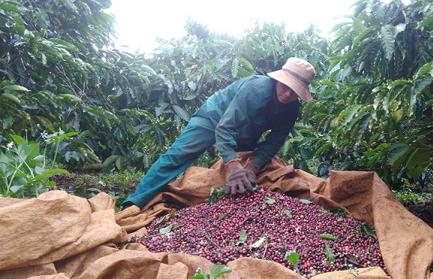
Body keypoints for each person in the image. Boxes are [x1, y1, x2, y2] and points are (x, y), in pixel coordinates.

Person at [122, 57, 316, 210]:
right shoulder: (256, 90)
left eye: (294, 92)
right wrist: (233, 165)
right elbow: (225, 128)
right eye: (285, 87)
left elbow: (275, 141)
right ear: (277, 80)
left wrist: (251, 169)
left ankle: (228, 201)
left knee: (254, 167)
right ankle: (134, 202)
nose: (288, 95)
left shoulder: (292, 108)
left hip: (247, 132)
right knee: (178, 156)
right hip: (214, 117)